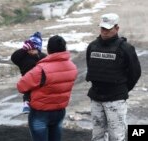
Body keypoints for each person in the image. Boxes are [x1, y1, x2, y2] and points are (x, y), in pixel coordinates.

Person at [86, 13, 141, 141]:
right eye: (102, 28)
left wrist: (121, 90)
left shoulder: (126, 48)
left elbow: (135, 72)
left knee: (117, 136)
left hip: (116, 100)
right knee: (97, 136)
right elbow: (91, 67)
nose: (104, 32)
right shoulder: (92, 46)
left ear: (117, 28)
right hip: (96, 98)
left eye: (108, 29)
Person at [17, 35, 77, 141]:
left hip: (41, 112)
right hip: (59, 111)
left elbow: (21, 86)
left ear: (48, 49)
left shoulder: (41, 69)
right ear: (64, 48)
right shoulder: (72, 66)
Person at [11, 32, 46, 114]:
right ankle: (26, 103)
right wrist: (24, 49)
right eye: (29, 49)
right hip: (27, 80)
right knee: (28, 91)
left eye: (33, 49)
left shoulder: (42, 56)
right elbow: (14, 57)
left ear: (38, 49)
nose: (31, 51)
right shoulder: (23, 57)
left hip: (41, 82)